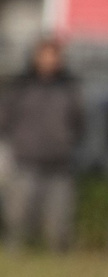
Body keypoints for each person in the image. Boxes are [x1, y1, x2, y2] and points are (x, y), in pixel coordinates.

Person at [1, 37, 83, 252]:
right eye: (45, 56)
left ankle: (58, 256)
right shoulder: (20, 86)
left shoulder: (69, 88)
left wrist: (68, 143)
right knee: (18, 215)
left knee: (59, 218)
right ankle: (15, 253)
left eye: (54, 56)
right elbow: (5, 120)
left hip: (60, 162)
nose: (50, 61)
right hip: (26, 160)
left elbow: (79, 123)